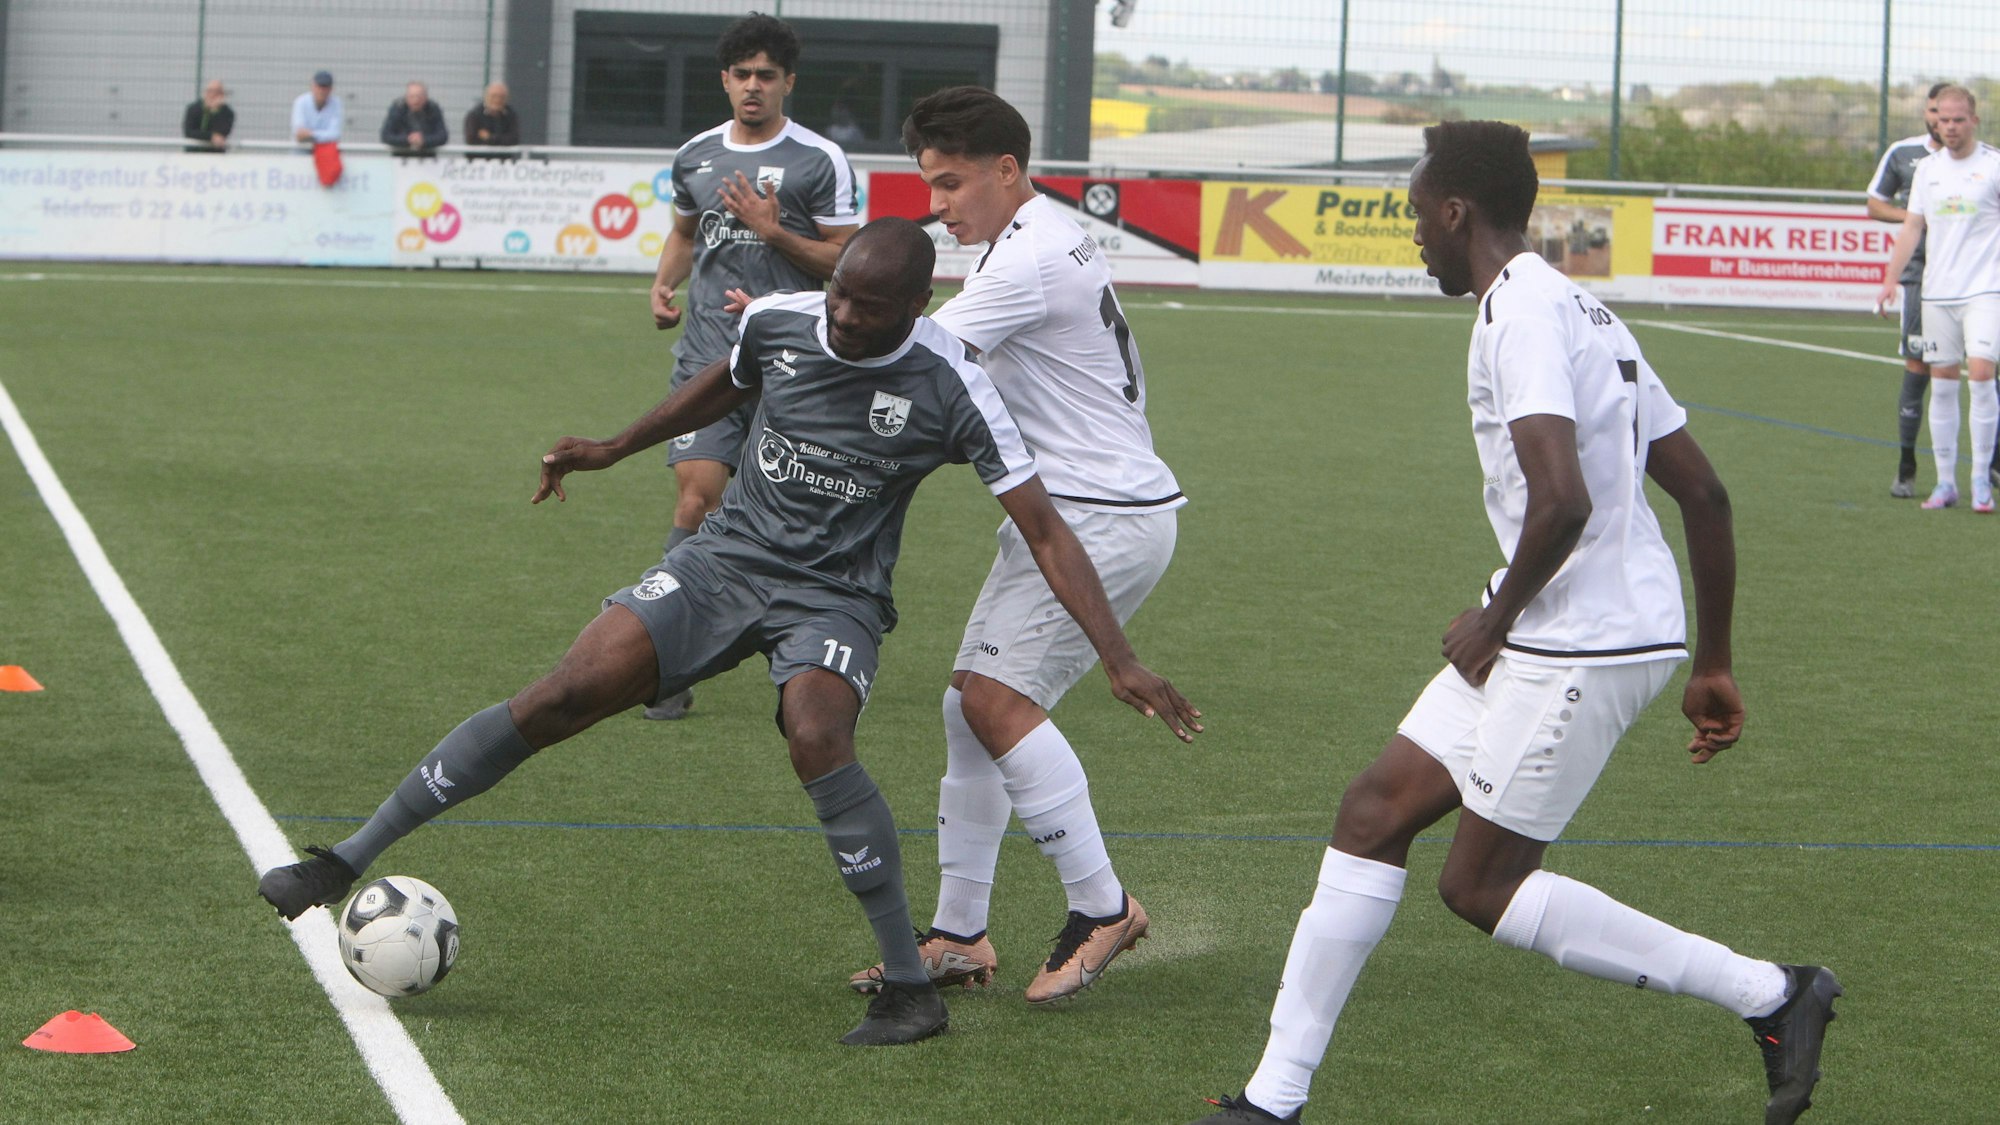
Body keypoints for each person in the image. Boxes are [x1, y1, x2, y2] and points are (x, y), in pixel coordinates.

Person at [254, 218, 1201, 1048]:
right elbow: (722, 386)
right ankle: (343, 859)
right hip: (723, 563)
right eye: (839, 292)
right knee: (561, 693)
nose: (843, 315)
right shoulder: (782, 319)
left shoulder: (953, 381)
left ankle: (912, 988)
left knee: (818, 732)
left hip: (834, 594)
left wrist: (1118, 657)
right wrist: (613, 447)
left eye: (868, 307)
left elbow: (1045, 528)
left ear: (916, 307)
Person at [1193, 121, 1839, 1125]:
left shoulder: (1523, 314)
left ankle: (1771, 993)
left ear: (1455, 212)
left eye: (1417, 215)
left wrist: (1495, 619)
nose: (1414, 236)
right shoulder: (1579, 306)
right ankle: (1272, 1100)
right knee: (1372, 814)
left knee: (1480, 885)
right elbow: (1703, 495)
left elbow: (1562, 500)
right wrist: (1710, 660)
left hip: (1579, 638)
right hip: (1567, 625)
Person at [845, 86, 1190, 1006]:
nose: (939, 205)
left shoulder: (1025, 259)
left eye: (951, 184)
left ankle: (1104, 905)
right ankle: (961, 932)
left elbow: (906, 352)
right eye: (930, 185)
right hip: (1090, 506)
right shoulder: (1037, 235)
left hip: (1096, 514)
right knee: (969, 708)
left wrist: (795, 329)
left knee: (995, 702)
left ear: (1007, 170)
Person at [644, 13, 860, 719]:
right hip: (710, 355)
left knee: (801, 520)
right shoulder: (696, 155)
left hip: (794, 363)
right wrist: (664, 283)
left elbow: (849, 261)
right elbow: (685, 233)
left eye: (767, 75)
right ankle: (665, 659)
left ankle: (810, 643)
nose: (753, 86)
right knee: (695, 499)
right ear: (725, 80)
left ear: (788, 82)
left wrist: (775, 232)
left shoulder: (819, 160)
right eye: (742, 74)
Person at [1875, 84, 2000, 513]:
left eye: (1958, 119)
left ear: (1974, 121)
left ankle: (1980, 479)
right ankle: (1946, 483)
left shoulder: (1994, 165)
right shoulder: (1928, 170)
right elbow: (1912, 227)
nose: (1949, 127)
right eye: (1943, 119)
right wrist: (1890, 280)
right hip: (1937, 292)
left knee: (1981, 375)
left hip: (1986, 289)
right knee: (1943, 383)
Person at [1867, 84, 1948, 498]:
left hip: (1977, 281)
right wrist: (1913, 216)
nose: (1941, 121)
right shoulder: (1904, 154)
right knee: (1918, 364)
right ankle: (1906, 464)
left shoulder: (1986, 161)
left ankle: (1992, 463)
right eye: (1934, 112)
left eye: (1949, 115)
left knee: (1986, 368)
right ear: (1926, 113)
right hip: (1920, 276)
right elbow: (1874, 204)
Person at [381, 81, 449, 152]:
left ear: (426, 97)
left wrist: (424, 140)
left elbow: (443, 136)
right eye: (412, 97)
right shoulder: (398, 109)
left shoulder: (433, 109)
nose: (416, 101)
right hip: (401, 155)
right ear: (406, 97)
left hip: (427, 155)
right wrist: (408, 139)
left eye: (419, 97)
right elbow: (386, 136)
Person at [181, 79, 234, 152]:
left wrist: (214, 112)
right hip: (194, 153)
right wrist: (211, 136)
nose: (212, 95)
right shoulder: (193, 109)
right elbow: (189, 132)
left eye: (216, 92)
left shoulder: (227, 113)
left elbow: (221, 134)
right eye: (209, 91)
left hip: (215, 154)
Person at [291, 70, 342, 145]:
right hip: (302, 149)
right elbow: (299, 133)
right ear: (312, 86)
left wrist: (311, 134)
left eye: (325, 87)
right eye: (319, 86)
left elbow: (335, 134)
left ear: (331, 89)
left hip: (325, 148)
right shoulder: (301, 102)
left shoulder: (336, 103)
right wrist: (324, 136)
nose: (321, 91)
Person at [464, 82, 520, 147]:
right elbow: (471, 140)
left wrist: (490, 138)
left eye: (502, 97)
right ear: (486, 96)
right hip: (481, 154)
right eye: (494, 96)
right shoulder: (474, 115)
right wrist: (502, 140)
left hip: (504, 154)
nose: (497, 100)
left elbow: (514, 139)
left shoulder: (511, 115)